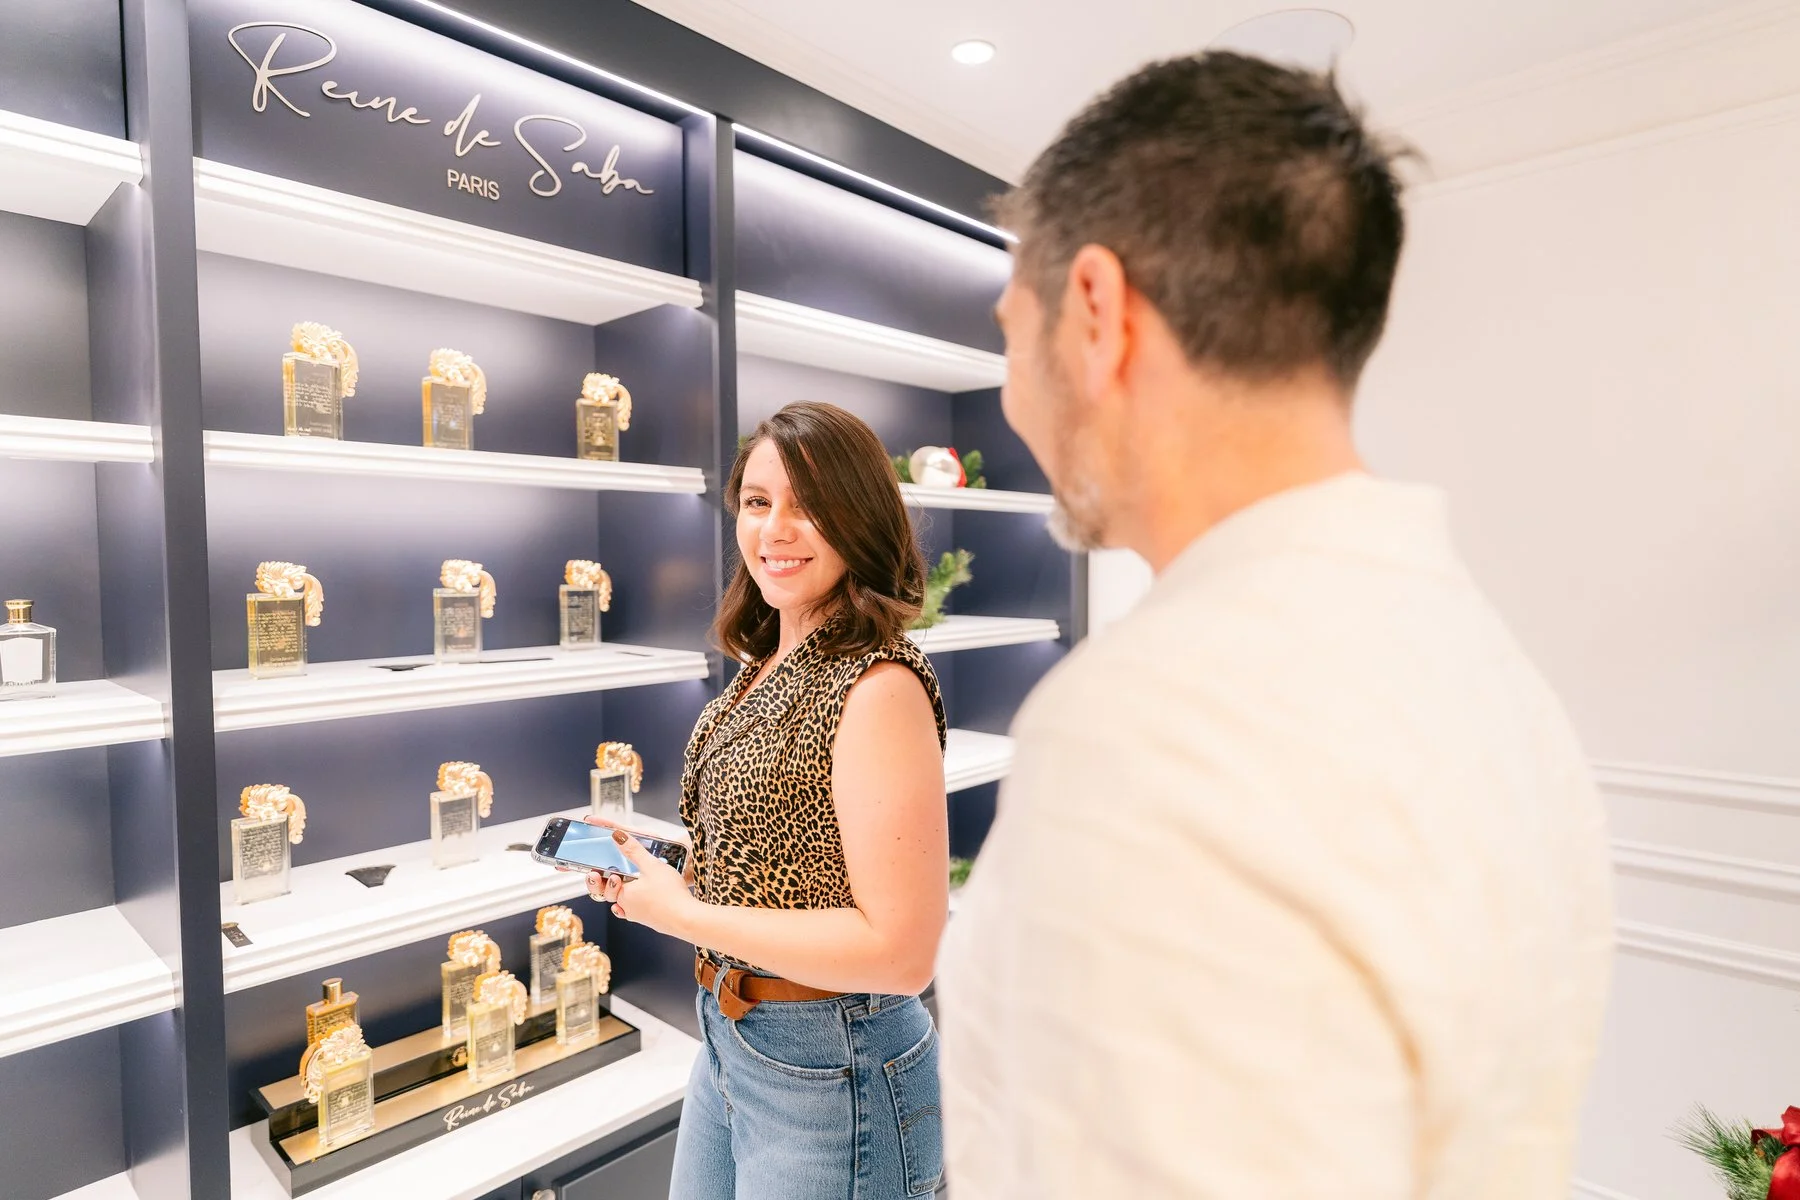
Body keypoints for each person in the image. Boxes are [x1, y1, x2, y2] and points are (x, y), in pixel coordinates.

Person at [934, 51, 1614, 1197]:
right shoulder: (1486, 671)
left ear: (1096, 312)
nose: (1010, 392)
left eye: (1012, 330)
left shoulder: (1155, 728)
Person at [588, 400, 950, 1199]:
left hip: (834, 1064)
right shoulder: (770, 660)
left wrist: (676, 912)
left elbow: (902, 951)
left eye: (808, 504)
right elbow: (788, 857)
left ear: (859, 519)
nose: (775, 529)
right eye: (758, 502)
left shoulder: (877, 685)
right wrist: (665, 868)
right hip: (733, 1038)